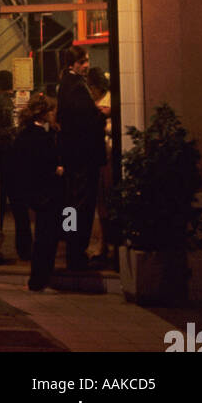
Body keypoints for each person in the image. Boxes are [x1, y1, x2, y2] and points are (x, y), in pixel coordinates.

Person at [57, 45, 106, 270]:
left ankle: (71, 248)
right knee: (81, 206)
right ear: (72, 63)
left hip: (72, 155)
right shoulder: (76, 86)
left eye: (86, 60)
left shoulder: (66, 83)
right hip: (83, 156)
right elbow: (85, 122)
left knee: (71, 203)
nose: (86, 65)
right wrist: (101, 115)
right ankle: (76, 252)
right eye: (82, 61)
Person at [14, 93, 65, 291]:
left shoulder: (24, 135)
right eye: (52, 111)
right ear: (45, 113)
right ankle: (40, 277)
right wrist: (58, 170)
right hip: (46, 192)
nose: (55, 115)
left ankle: (39, 277)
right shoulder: (42, 138)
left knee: (43, 234)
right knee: (47, 235)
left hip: (31, 191)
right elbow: (48, 163)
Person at [0, 70, 32, 260]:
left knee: (0, 205)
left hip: (2, 160)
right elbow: (8, 131)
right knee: (19, 206)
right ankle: (25, 248)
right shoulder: (5, 103)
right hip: (11, 160)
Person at [86, 66, 113, 263]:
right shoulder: (93, 103)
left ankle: (107, 244)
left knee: (106, 200)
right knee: (99, 202)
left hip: (107, 157)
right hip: (96, 157)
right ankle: (101, 243)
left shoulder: (109, 101)